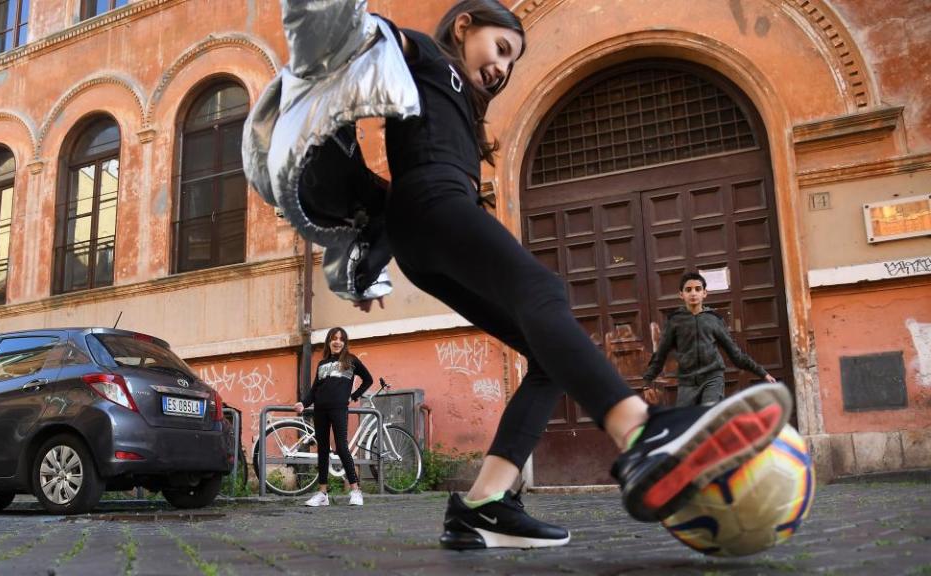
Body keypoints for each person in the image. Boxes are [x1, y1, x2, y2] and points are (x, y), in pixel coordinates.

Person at [245, 0, 791, 550]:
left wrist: (377, 255)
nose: (504, 68)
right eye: (502, 48)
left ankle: (485, 505)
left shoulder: (457, 102)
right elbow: (365, 31)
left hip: (425, 229)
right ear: (464, 26)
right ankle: (642, 431)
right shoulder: (434, 59)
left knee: (546, 358)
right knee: (544, 290)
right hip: (432, 208)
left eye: (513, 62)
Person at [643, 271, 778, 408]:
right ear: (681, 295)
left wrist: (762, 373)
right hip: (687, 381)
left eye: (698, 289)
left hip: (712, 378)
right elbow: (661, 354)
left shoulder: (714, 320)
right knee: (687, 421)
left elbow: (735, 354)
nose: (693, 293)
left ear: (704, 293)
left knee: (709, 414)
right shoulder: (675, 321)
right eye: (688, 290)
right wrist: (647, 381)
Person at [293, 327, 373, 507]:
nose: (337, 342)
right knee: (322, 450)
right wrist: (303, 404)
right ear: (329, 341)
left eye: (341, 339)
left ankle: (355, 491)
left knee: (342, 447)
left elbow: (368, 379)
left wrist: (353, 396)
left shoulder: (351, 361)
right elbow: (314, 390)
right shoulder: (322, 364)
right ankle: (322, 494)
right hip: (320, 410)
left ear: (344, 343)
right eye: (334, 338)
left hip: (339, 409)